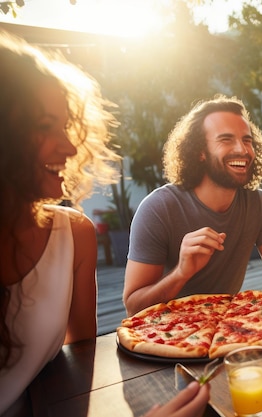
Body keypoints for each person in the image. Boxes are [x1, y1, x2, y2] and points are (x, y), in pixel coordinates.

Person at [0, 31, 210, 417]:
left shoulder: (74, 235)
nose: (69, 146)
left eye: (67, 126)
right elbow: (133, 304)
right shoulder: (160, 206)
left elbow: (78, 375)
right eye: (45, 126)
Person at [123, 95, 262, 316]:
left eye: (247, 140)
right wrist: (181, 272)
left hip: (231, 327)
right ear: (199, 151)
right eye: (225, 140)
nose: (243, 150)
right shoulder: (158, 208)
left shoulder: (259, 204)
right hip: (170, 334)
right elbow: (133, 306)